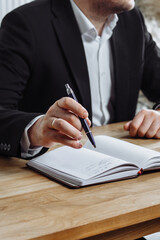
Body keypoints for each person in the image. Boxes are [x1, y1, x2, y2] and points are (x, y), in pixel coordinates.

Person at [0, 0, 160, 159]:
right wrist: (36, 130)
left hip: (122, 166)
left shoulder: (132, 19)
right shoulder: (25, 23)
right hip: (48, 170)